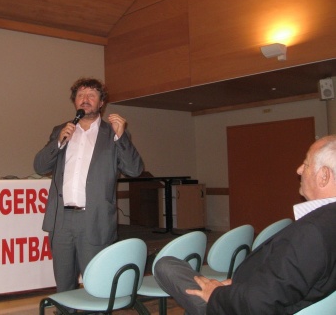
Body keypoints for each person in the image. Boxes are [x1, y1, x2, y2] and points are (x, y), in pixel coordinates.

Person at [154, 135, 336, 315]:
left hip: (235, 308)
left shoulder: (311, 232)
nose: (298, 170)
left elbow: (260, 303)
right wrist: (237, 286)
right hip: (248, 292)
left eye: (305, 164)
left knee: (165, 266)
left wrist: (216, 294)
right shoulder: (325, 223)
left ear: (324, 176)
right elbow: (290, 281)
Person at [34, 77, 144, 293]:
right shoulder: (61, 130)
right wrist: (58, 143)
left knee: (97, 283)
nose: (85, 99)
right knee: (64, 285)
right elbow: (39, 166)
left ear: (101, 102)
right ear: (74, 101)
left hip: (95, 219)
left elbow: (134, 169)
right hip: (61, 221)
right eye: (80, 95)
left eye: (91, 95)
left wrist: (122, 137)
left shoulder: (113, 132)